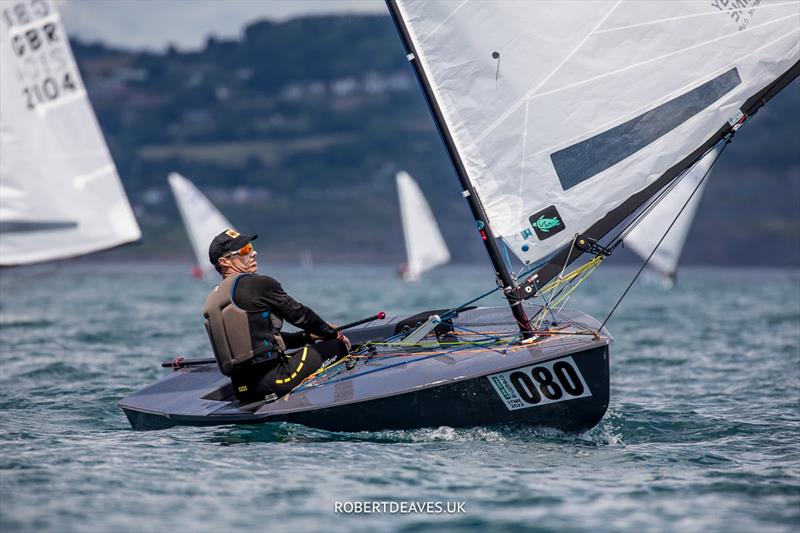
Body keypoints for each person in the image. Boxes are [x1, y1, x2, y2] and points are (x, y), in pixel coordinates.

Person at [202, 229, 350, 403]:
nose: (253, 253)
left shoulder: (213, 298)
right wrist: (332, 333)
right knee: (337, 346)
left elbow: (258, 342)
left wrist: (306, 337)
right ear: (224, 262)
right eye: (244, 250)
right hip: (276, 381)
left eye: (250, 247)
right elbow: (300, 315)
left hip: (243, 391)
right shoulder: (258, 284)